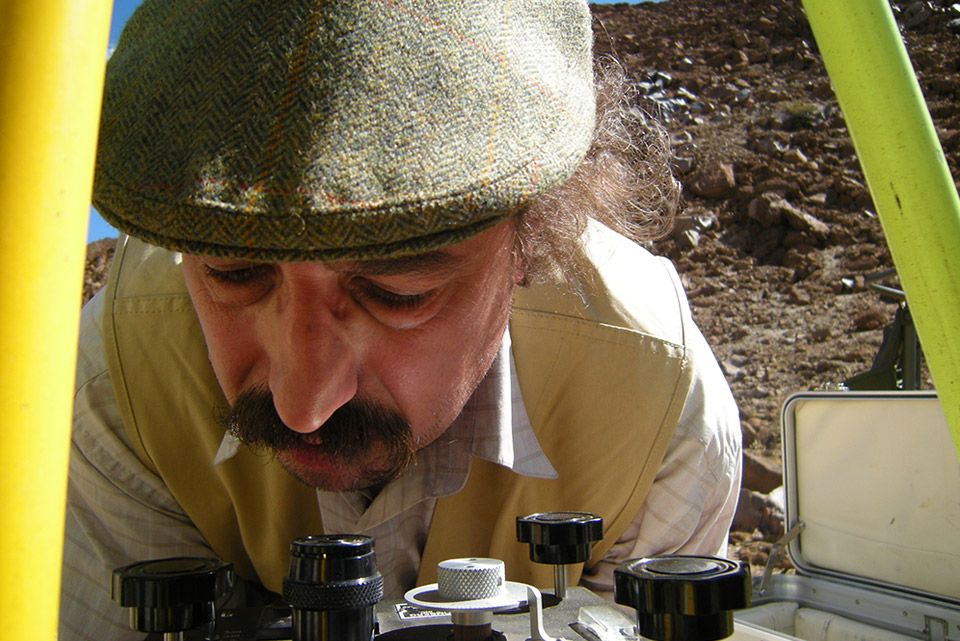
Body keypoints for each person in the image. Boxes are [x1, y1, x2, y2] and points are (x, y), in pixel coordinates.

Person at [60, 1, 742, 639]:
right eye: (236, 274)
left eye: (395, 292)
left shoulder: (656, 411)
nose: (302, 405)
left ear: (531, 240)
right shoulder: (116, 382)